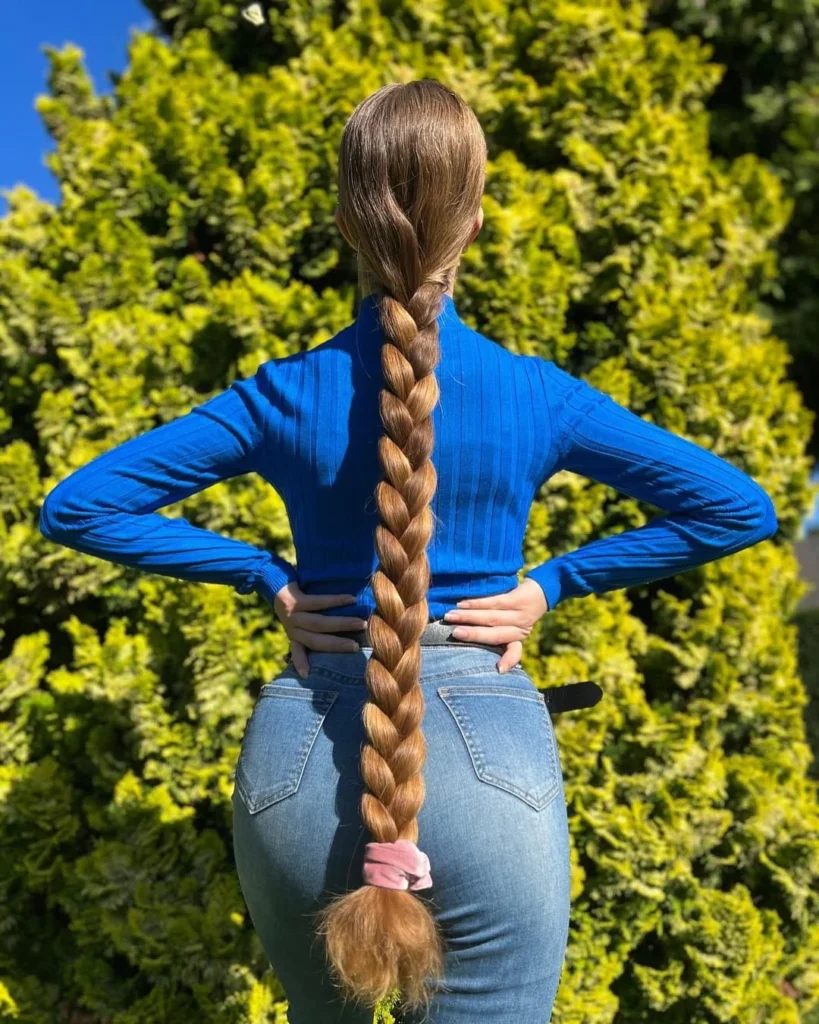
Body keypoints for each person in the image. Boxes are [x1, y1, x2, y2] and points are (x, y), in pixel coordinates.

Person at [39, 79, 778, 1024]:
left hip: (300, 756)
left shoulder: (283, 394)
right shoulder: (535, 395)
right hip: (487, 760)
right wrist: (552, 586)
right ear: (473, 222)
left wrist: (265, 578)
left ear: (347, 220)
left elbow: (78, 507)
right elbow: (736, 509)